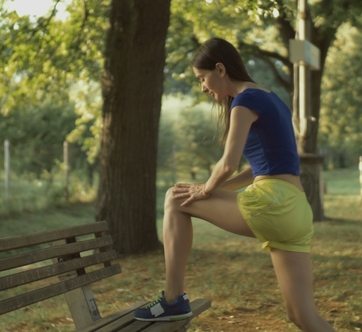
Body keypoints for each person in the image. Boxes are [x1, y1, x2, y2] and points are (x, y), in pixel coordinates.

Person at [133, 38, 336, 331]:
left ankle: (173, 298)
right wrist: (212, 188)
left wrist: (204, 189)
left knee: (174, 199)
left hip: (273, 204)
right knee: (303, 316)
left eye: (202, 78)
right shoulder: (271, 98)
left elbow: (228, 163)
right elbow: (259, 168)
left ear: (220, 69)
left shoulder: (244, 102)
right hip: (296, 210)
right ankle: (173, 298)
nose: (203, 87)